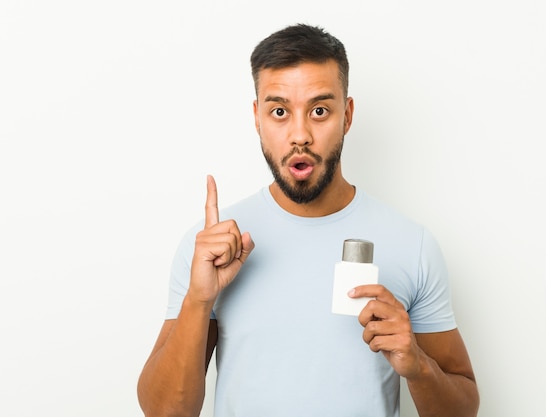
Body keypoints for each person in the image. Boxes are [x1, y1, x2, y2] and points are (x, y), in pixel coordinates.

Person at [137, 23, 479, 417]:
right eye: (279, 111)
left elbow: (463, 408)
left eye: (319, 110)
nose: (300, 134)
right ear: (257, 119)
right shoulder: (212, 248)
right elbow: (164, 412)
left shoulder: (412, 244)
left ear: (347, 116)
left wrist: (418, 367)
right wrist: (199, 299)